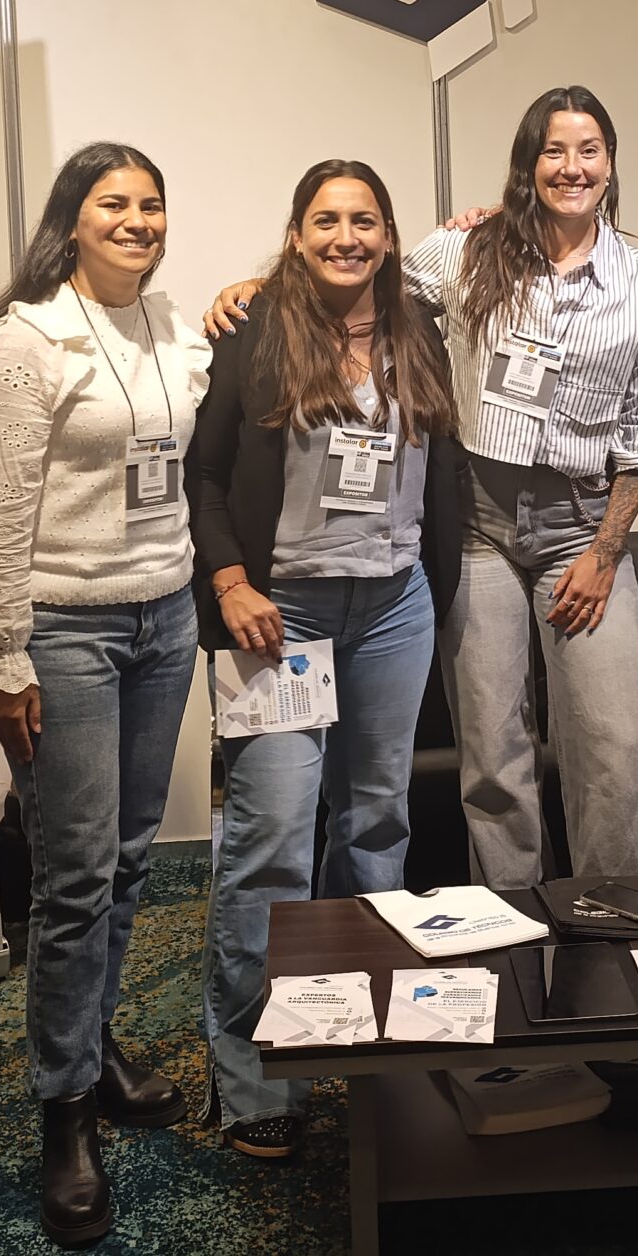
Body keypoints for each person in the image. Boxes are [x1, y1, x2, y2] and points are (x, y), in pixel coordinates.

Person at [211, 86, 638, 888]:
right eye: (553, 151)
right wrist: (254, 290)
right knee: (492, 753)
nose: (571, 167)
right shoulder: (466, 252)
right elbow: (357, 277)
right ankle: (515, 925)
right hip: (477, 527)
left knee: (612, 742)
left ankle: (623, 919)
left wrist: (606, 552)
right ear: (528, 164)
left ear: (610, 163)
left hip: (582, 529)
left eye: (589, 150)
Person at [0, 141, 212, 1248]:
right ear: (73, 218)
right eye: (115, 203)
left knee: (130, 859)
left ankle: (94, 1044)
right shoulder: (25, 341)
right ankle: (63, 1112)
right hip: (64, 631)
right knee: (72, 878)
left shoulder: (168, 324)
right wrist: (0, 658)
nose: (138, 220)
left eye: (152, 204)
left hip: (165, 618)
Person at [187, 160, 464, 1161]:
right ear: (297, 233)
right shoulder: (255, 328)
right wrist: (230, 581)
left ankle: (369, 1032)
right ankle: (255, 1076)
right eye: (326, 220)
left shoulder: (418, 329)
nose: (346, 237)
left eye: (365, 220)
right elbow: (203, 471)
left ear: (388, 234)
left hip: (394, 605)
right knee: (271, 835)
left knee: (378, 825)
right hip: (280, 615)